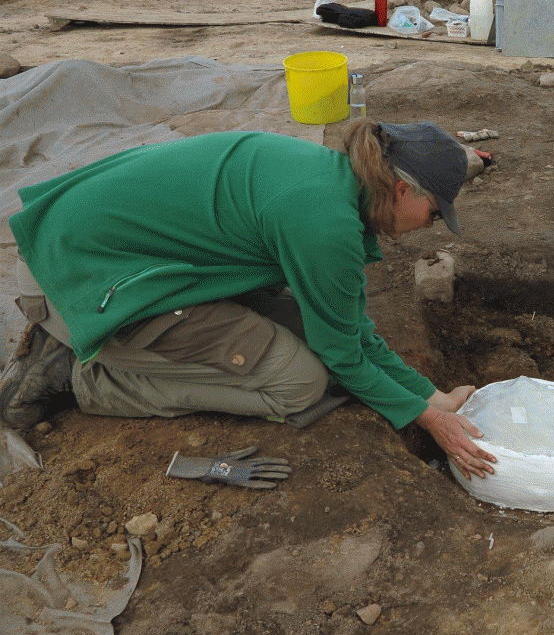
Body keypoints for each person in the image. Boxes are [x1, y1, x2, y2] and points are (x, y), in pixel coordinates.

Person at [0, 121, 497, 479]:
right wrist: (424, 418)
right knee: (302, 382)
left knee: (299, 320)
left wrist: (427, 395)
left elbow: (345, 322)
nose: (431, 226)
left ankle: (90, 346)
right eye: (435, 213)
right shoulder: (324, 225)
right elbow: (341, 353)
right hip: (77, 282)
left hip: (82, 254)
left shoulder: (328, 178)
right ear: (403, 188)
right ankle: (83, 377)